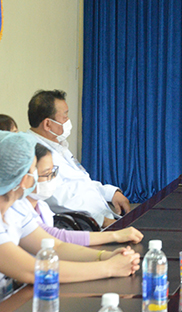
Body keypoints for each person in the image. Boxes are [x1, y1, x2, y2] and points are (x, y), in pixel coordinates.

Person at [0, 131, 140, 300]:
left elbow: (55, 246)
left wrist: (105, 256)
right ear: (24, 179)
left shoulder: (16, 206)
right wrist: (109, 268)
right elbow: (32, 271)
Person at [27, 90, 130, 227]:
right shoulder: (34, 153)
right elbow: (56, 199)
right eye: (64, 117)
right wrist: (100, 221)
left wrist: (111, 193)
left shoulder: (57, 145)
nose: (68, 121)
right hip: (83, 225)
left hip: (100, 218)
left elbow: (80, 182)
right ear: (47, 124)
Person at [17, 143, 143, 246]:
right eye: (47, 174)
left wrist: (113, 238)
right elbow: (32, 266)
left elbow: (58, 239)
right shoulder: (15, 212)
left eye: (53, 172)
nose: (53, 179)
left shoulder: (40, 207)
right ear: (25, 178)